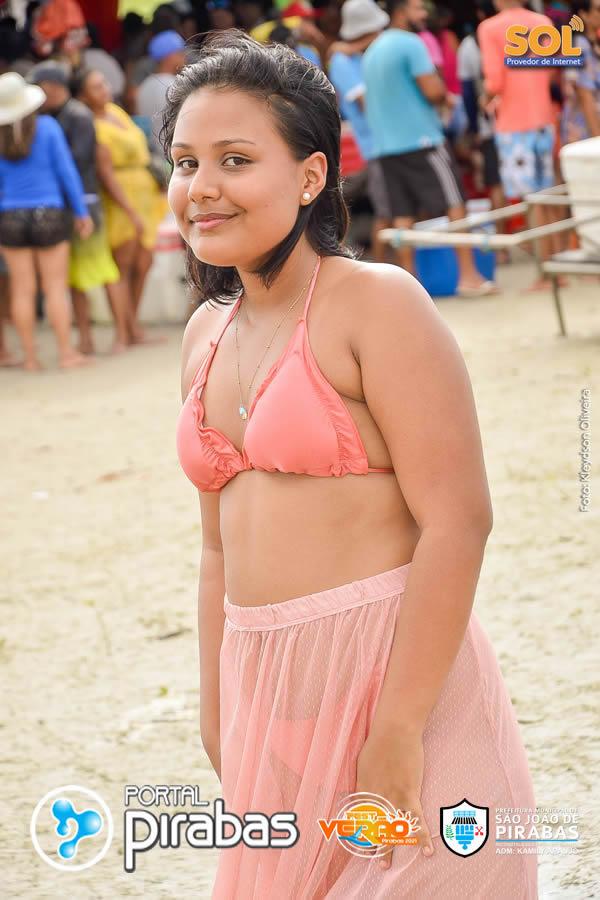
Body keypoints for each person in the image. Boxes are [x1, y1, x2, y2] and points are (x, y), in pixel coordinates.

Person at [166, 29, 537, 897]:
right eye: (185, 163)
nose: (201, 186)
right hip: (269, 702)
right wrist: (220, 712)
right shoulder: (204, 335)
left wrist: (399, 727)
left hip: (400, 690)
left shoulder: (376, 303)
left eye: (234, 159)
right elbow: (217, 548)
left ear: (311, 176)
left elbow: (459, 520)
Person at [362, 0, 498, 296]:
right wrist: (445, 96)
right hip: (422, 140)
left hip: (386, 146)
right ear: (401, 11)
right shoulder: (411, 43)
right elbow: (433, 90)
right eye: (418, 8)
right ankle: (468, 276)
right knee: (454, 203)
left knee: (402, 216)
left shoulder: (372, 51)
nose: (424, 14)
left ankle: (410, 289)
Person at [29, 61, 129, 355]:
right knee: (75, 277)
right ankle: (85, 338)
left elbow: (80, 160)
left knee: (105, 271)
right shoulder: (54, 115)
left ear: (52, 87)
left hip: (85, 201)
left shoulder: (78, 115)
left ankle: (121, 335)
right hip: (68, 203)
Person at [0, 72, 93, 370]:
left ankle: (30, 358)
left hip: (10, 217)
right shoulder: (49, 127)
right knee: (55, 287)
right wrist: (81, 212)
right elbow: (66, 172)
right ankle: (66, 353)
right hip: (49, 213)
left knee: (22, 289)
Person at [75, 68, 167, 346]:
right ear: (83, 96)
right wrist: (129, 210)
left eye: (103, 83)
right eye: (96, 87)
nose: (104, 89)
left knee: (144, 262)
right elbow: (106, 174)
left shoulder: (116, 111)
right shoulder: (93, 125)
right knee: (123, 266)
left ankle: (132, 326)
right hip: (122, 200)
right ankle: (123, 332)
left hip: (144, 196)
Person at [477, 0, 558, 290]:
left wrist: (485, 99)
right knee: (549, 197)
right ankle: (557, 266)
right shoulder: (542, 22)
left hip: (514, 124)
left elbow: (494, 81)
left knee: (532, 202)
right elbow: (552, 70)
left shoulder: (490, 28)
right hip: (544, 119)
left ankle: (546, 273)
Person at [328, 0, 393, 262]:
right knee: (385, 210)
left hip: (383, 145)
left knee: (390, 209)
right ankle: (378, 266)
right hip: (370, 148)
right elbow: (366, 104)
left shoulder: (361, 55)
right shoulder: (342, 60)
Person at [561, 0, 600, 144]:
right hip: (585, 135)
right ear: (584, 15)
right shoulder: (578, 46)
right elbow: (584, 95)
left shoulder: (592, 45)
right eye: (598, 10)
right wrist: (597, 139)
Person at [136, 29, 187, 141]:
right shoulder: (175, 86)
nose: (184, 57)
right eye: (180, 53)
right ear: (169, 56)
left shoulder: (144, 86)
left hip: (153, 149)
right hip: (173, 147)